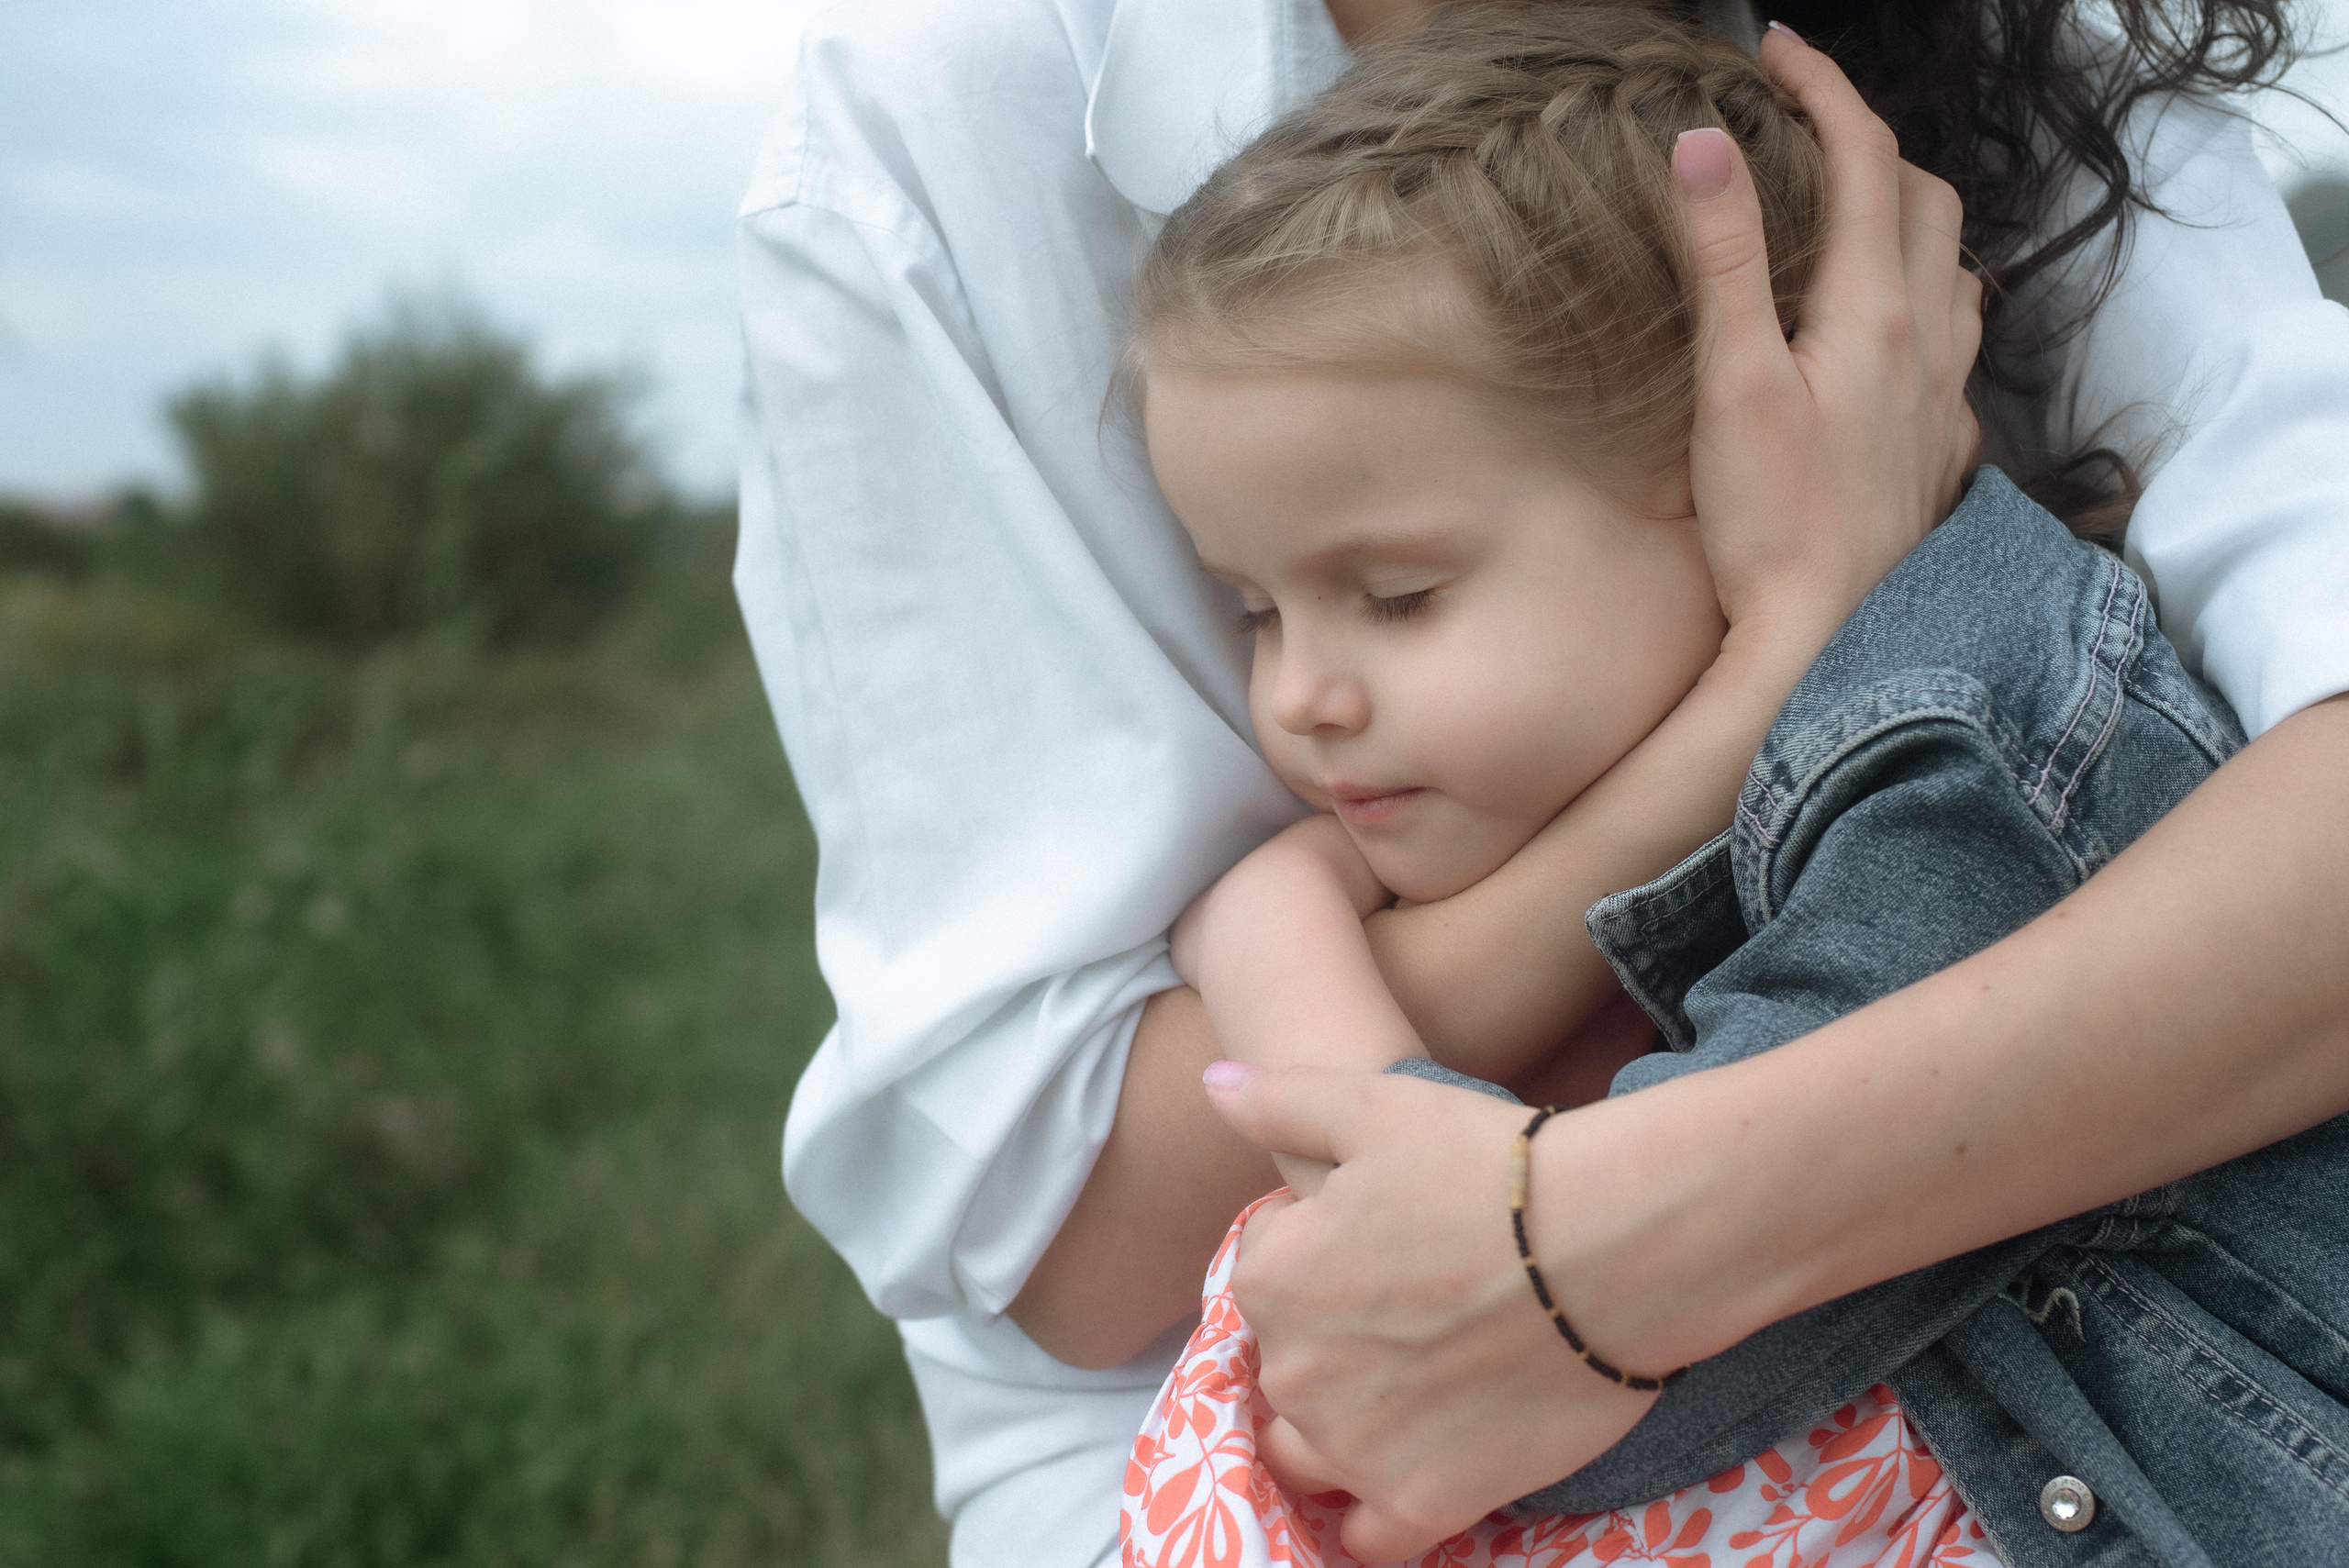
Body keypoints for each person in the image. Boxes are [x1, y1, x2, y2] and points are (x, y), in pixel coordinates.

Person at [732, 0, 2349, 1562]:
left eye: (1404, 596)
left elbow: (1565, 1366)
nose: (1301, 696)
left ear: (1723, 471)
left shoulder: (1949, 753)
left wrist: (1284, 938)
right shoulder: (930, 108)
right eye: (1250, 610)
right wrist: (1758, 685)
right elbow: (1132, 1244)